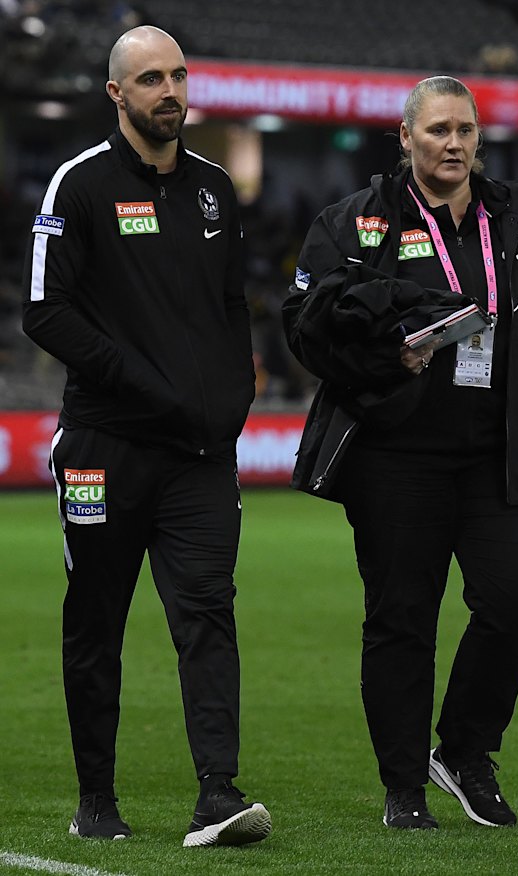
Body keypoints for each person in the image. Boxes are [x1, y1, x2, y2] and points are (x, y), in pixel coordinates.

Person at [283, 75, 518, 831]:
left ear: (480, 139)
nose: (454, 144)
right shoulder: (356, 224)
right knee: (401, 620)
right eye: (439, 130)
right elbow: (306, 329)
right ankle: (404, 788)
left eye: (466, 131)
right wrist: (389, 355)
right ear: (406, 137)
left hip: (499, 454)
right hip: (396, 455)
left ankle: (465, 753)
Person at [22, 25, 271, 848]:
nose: (172, 90)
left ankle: (218, 795)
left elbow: (234, 304)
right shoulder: (78, 185)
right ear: (117, 95)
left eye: (180, 75)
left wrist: (233, 392)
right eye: (152, 79)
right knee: (94, 621)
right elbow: (44, 311)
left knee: (208, 614)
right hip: (104, 448)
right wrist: (140, 380)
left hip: (198, 455)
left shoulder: (212, 189)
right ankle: (97, 799)